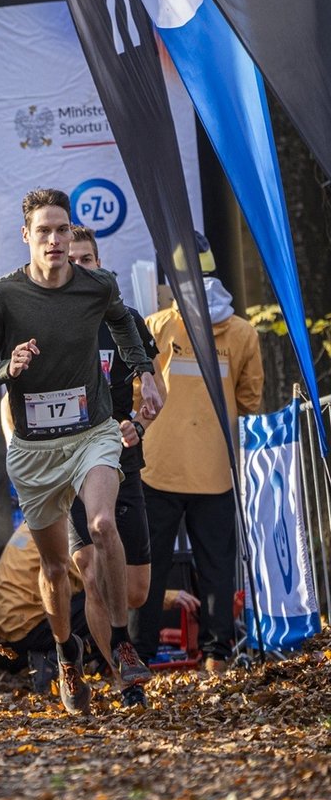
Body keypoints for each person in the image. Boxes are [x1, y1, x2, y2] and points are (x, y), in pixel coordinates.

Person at [0, 188, 160, 716]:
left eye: (62, 229)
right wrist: (7, 369)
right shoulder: (0, 295)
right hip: (35, 449)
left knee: (102, 525)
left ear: (72, 234)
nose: (54, 239)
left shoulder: (97, 285)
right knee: (53, 568)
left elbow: (122, 321)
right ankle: (67, 653)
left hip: (93, 434)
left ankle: (121, 642)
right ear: (26, 236)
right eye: (43, 231)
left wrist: (144, 373)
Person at [137, 233, 263, 674]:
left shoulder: (156, 327)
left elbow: (136, 395)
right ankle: (217, 655)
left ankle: (139, 655)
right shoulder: (242, 332)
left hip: (158, 468)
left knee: (148, 567)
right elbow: (250, 401)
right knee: (216, 567)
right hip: (215, 470)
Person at [63, 227, 159, 704]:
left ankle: (93, 647)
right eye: (72, 260)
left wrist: (138, 424)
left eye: (87, 259)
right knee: (92, 574)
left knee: (135, 590)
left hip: (123, 458)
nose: (79, 267)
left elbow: (156, 393)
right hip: (71, 460)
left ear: (99, 265)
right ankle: (122, 679)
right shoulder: (49, 320)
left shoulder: (124, 319)